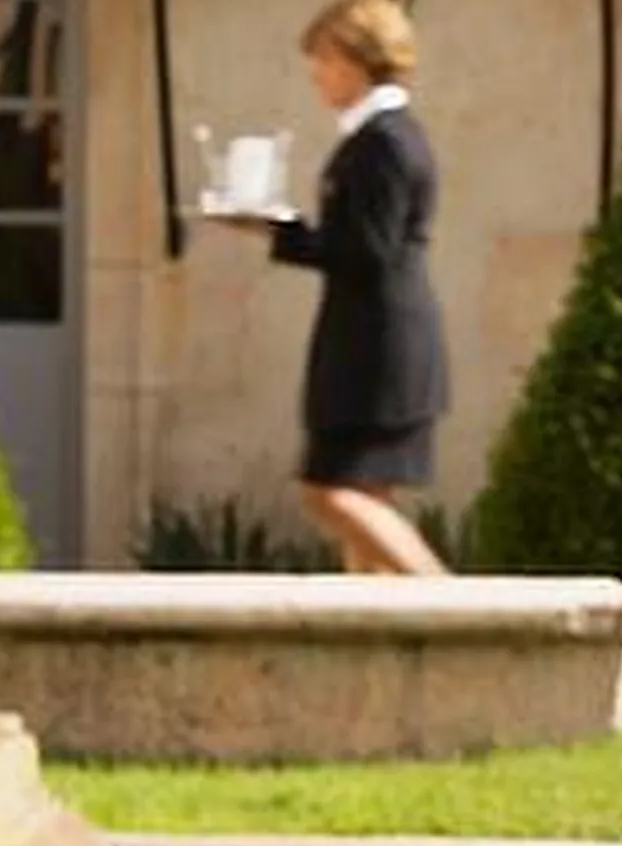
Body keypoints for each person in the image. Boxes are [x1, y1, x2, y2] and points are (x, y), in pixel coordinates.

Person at [212, 0, 450, 575]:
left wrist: (278, 226)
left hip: (378, 348)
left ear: (356, 60)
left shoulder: (384, 143)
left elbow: (367, 252)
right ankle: (372, 643)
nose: (316, 74)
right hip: (375, 340)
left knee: (331, 491)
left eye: (323, 59)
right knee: (367, 499)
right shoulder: (380, 138)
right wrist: (277, 227)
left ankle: (452, 608)